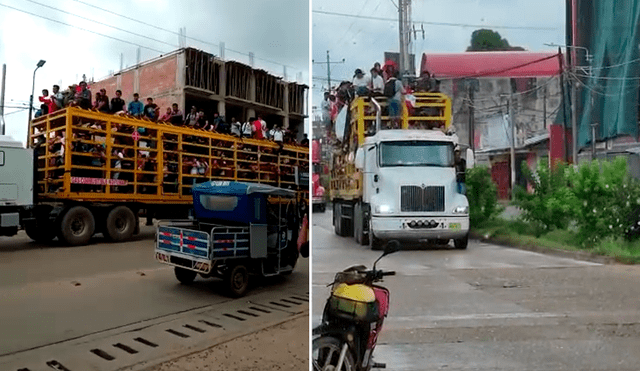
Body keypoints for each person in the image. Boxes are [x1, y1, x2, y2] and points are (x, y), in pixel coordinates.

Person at [383, 62, 404, 128]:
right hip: (397, 99)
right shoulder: (398, 82)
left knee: (391, 115)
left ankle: (391, 126)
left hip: (390, 100)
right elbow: (403, 91)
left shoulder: (388, 82)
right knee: (397, 115)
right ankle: (397, 126)